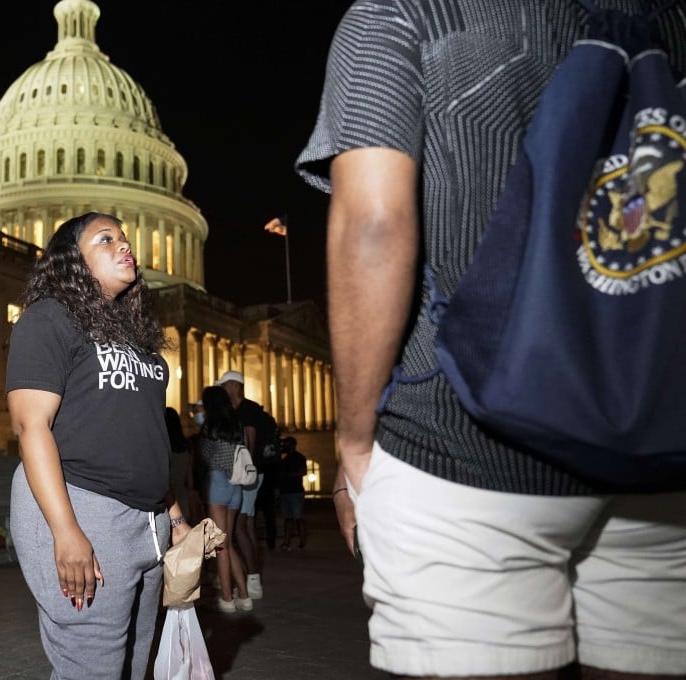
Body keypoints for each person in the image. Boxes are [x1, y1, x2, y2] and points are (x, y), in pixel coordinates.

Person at [296, 1, 686, 677]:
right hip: (654, 436)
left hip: (462, 448)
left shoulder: (399, 12)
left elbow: (374, 225)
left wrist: (353, 437)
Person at [5, 211, 190, 679]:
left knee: (132, 659)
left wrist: (173, 516)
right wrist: (66, 532)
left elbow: (142, 435)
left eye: (125, 239)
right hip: (81, 505)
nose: (124, 245)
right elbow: (31, 427)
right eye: (106, 239)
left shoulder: (140, 342)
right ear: (73, 261)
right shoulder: (48, 319)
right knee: (92, 667)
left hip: (147, 520)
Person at [198, 384, 252, 613]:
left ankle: (228, 598)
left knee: (220, 546)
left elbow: (205, 456)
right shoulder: (237, 425)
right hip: (235, 485)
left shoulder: (210, 426)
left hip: (217, 483)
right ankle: (245, 595)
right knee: (228, 544)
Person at [215, 370, 265, 598]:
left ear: (234, 386)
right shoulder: (237, 411)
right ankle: (245, 578)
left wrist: (244, 471)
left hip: (247, 474)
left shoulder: (248, 410)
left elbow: (250, 444)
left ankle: (252, 580)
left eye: (224, 387)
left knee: (241, 526)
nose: (223, 391)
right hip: (240, 475)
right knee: (242, 526)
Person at [277, 437, 306, 551]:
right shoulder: (284, 459)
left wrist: (287, 475)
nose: (284, 446)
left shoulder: (299, 458)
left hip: (295, 491)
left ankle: (302, 542)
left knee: (298, 518)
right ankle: (286, 542)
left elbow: (302, 472)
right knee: (288, 518)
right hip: (286, 492)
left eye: (286, 444)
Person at [164, 406, 193, 524]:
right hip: (182, 494)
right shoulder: (186, 448)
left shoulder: (164, 449)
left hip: (168, 498)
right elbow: (189, 478)